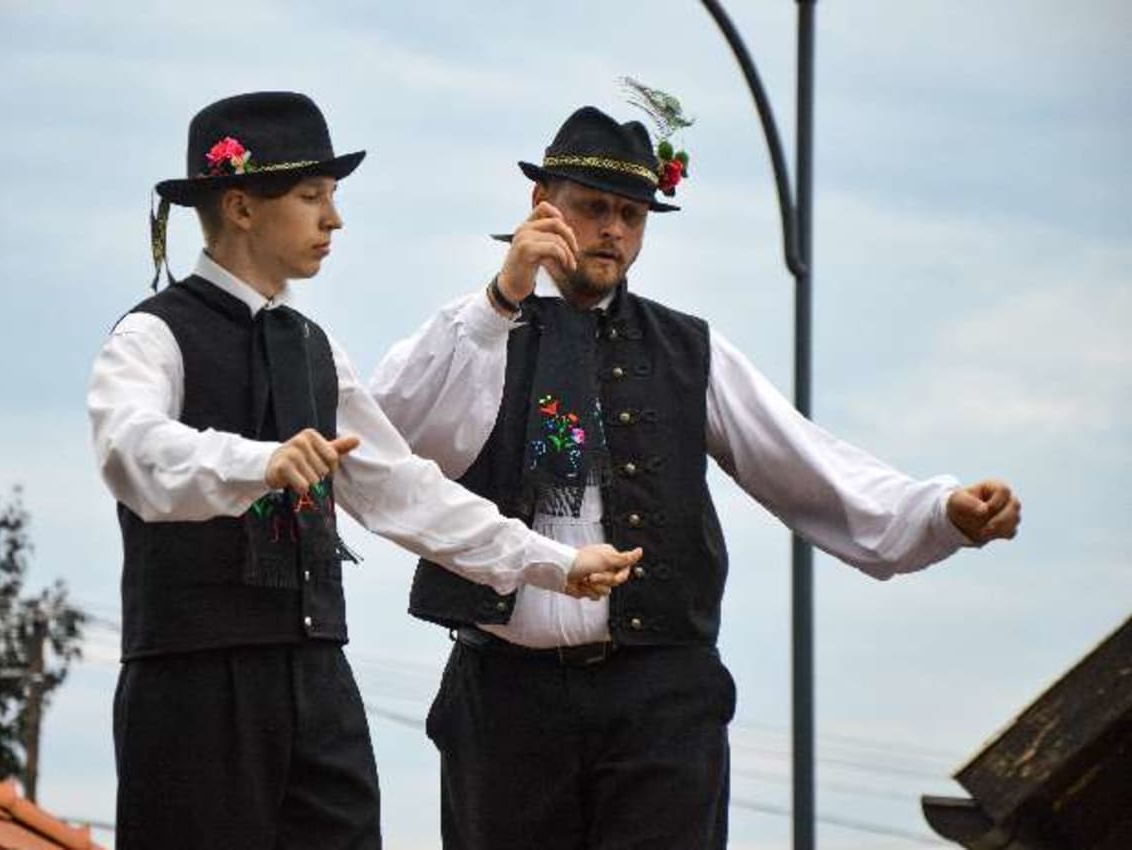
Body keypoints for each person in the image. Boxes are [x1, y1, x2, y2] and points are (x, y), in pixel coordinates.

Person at [369, 102, 1022, 849]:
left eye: (632, 214)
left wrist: (939, 509)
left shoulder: (685, 350)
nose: (613, 230)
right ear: (541, 205)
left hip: (659, 697)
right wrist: (498, 299)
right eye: (593, 208)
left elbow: (804, 462)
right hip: (506, 699)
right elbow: (389, 439)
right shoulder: (475, 330)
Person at [86, 91, 640, 850]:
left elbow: (402, 489)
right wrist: (262, 461)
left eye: (333, 198)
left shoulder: (316, 350)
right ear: (242, 207)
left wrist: (553, 561)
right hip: (194, 682)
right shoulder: (152, 335)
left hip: (318, 677)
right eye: (312, 197)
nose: (333, 219)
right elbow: (131, 450)